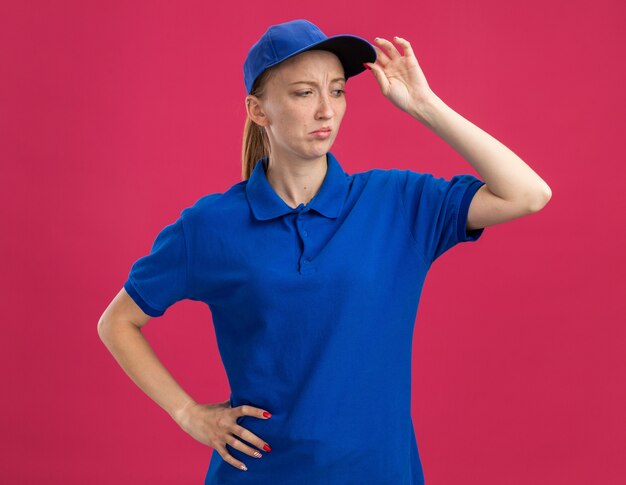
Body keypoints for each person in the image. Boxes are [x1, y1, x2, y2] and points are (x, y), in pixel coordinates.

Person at [98, 18, 551, 485]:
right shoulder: (210, 226)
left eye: (336, 91)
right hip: (261, 474)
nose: (326, 111)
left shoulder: (396, 202)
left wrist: (424, 105)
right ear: (258, 110)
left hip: (381, 473)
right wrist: (187, 413)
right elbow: (117, 322)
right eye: (303, 93)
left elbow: (528, 194)